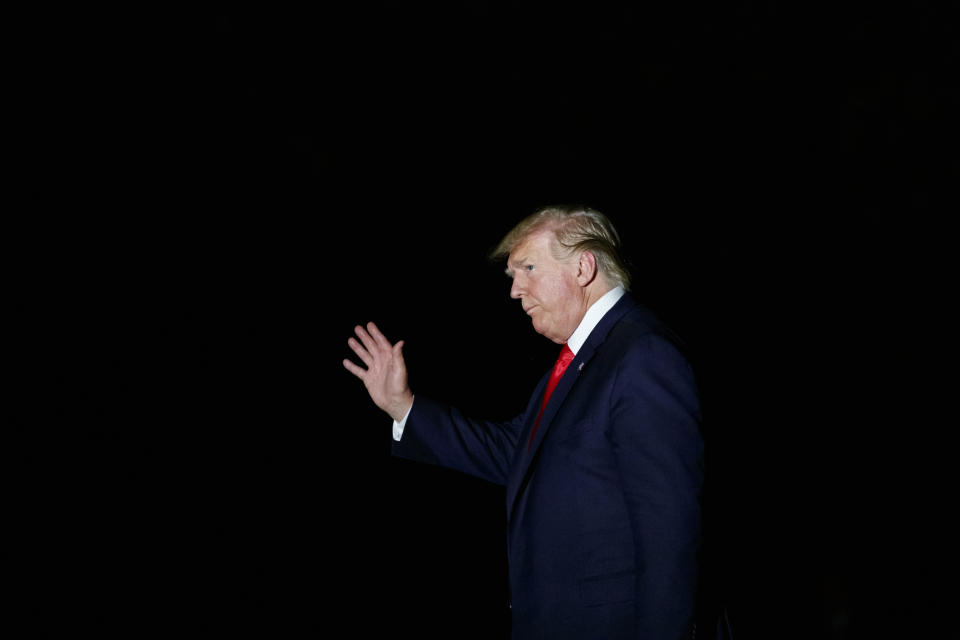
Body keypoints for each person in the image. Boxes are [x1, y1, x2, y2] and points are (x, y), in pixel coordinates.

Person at [343, 205, 721, 639]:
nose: (515, 291)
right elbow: (513, 452)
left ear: (583, 267)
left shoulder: (643, 356)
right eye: (512, 275)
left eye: (528, 268)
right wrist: (402, 405)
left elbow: (669, 535)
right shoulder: (573, 366)